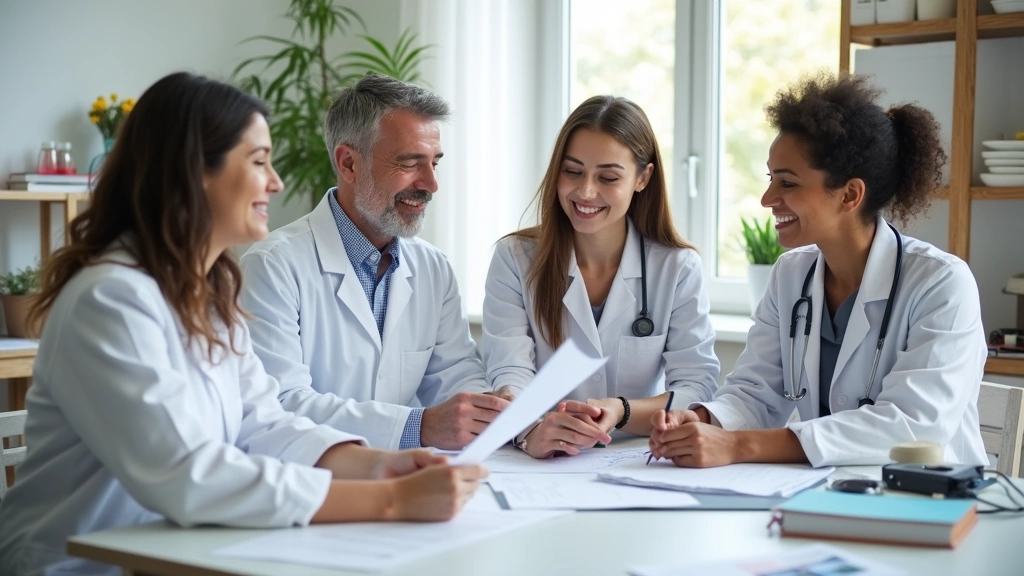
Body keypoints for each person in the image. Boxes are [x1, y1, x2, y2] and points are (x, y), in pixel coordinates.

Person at [0, 72, 485, 576]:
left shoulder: (207, 292)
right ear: (194, 173)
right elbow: (189, 475)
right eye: (258, 162)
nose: (275, 182)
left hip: (184, 551)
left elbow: (262, 423)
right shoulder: (109, 300)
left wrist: (385, 465)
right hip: (84, 565)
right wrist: (389, 499)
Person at [648, 73, 988, 468]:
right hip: (827, 494)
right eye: (770, 179)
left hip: (929, 503)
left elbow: (911, 426)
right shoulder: (791, 275)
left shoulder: (941, 283)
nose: (767, 198)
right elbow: (756, 392)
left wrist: (740, 445)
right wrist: (703, 419)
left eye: (788, 183)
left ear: (849, 195)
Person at [239, 74, 507, 451]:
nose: (431, 184)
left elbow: (456, 375)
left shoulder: (434, 268)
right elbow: (279, 404)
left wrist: (508, 419)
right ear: (348, 163)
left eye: (434, 163)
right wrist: (419, 426)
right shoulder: (273, 266)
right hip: (316, 485)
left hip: (409, 480)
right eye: (411, 163)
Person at [482, 95, 720, 459]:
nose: (585, 192)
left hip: (636, 457)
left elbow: (696, 385)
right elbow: (509, 372)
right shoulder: (514, 258)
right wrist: (532, 430)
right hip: (540, 461)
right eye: (572, 171)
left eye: (608, 177)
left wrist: (622, 411)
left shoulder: (677, 268)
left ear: (643, 178)